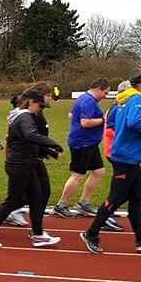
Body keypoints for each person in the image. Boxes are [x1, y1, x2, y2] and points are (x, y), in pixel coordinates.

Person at [81, 72, 141, 254]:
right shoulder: (137, 99)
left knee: (136, 198)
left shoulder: (122, 100)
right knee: (116, 198)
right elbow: (133, 122)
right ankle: (91, 233)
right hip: (126, 156)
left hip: (128, 155)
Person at [0, 89, 64, 249]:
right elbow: (30, 135)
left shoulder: (24, 115)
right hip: (19, 165)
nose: (41, 109)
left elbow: (29, 139)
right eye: (40, 105)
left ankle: (38, 234)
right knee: (14, 199)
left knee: (37, 198)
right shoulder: (25, 117)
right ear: (31, 102)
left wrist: (50, 151)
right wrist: (52, 143)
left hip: (27, 163)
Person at [54, 79, 111, 218]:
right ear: (98, 88)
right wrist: (104, 120)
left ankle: (84, 203)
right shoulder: (88, 101)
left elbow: (71, 115)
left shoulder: (84, 99)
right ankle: (61, 205)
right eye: (105, 92)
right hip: (82, 143)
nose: (106, 96)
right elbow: (85, 122)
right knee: (78, 175)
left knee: (98, 172)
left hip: (90, 143)